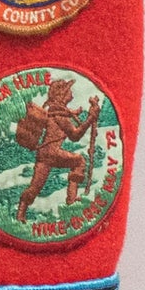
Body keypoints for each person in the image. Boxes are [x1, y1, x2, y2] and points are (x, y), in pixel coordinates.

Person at [16, 76, 100, 220]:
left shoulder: (55, 111)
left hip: (43, 154)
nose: (71, 92)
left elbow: (67, 113)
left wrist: (78, 112)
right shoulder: (60, 116)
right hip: (52, 153)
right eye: (68, 90)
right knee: (79, 161)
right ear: (62, 95)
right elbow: (75, 136)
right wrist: (90, 119)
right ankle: (71, 201)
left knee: (35, 187)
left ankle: (20, 214)